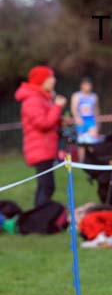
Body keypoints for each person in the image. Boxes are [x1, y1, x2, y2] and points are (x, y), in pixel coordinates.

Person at [15, 66, 67, 207]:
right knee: (47, 186)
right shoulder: (33, 100)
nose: (54, 80)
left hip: (46, 148)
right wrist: (57, 107)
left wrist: (60, 120)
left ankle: (40, 213)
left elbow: (47, 119)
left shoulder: (42, 98)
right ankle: (41, 214)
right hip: (40, 149)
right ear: (41, 80)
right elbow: (43, 123)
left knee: (46, 186)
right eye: (50, 77)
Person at [71, 77, 101, 154]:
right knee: (81, 144)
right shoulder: (77, 96)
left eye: (89, 85)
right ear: (82, 85)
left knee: (92, 142)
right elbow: (74, 108)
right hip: (81, 121)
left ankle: (91, 159)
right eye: (86, 85)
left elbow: (96, 110)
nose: (88, 87)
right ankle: (82, 160)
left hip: (91, 121)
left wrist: (98, 122)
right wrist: (77, 118)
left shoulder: (94, 96)